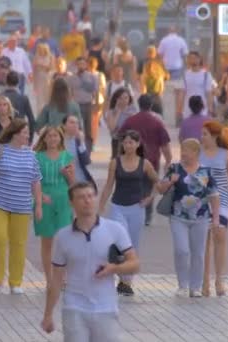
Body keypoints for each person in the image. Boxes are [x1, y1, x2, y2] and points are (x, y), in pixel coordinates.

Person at [41, 182, 140, 340]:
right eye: (81, 197)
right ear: (71, 203)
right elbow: (57, 279)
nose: (87, 201)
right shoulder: (63, 236)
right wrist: (48, 314)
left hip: (105, 306)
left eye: (90, 196)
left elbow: (134, 264)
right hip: (74, 306)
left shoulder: (115, 229)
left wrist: (113, 268)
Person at [0, 119, 42, 294]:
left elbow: (36, 181)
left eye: (28, 133)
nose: (27, 136)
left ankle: (16, 282)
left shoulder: (31, 155)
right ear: (15, 134)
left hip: (22, 207)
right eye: (24, 132)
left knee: (19, 244)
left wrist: (38, 205)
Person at [98, 129, 158, 296]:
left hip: (137, 209)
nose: (128, 145)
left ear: (138, 144)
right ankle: (116, 270)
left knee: (132, 245)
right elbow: (109, 185)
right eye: (125, 142)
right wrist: (101, 205)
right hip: (118, 206)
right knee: (118, 239)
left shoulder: (144, 163)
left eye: (131, 142)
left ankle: (126, 282)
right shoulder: (115, 162)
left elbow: (157, 181)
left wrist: (149, 198)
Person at [158, 139, 220, 297]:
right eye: (182, 149)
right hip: (178, 217)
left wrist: (216, 217)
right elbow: (160, 188)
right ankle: (182, 285)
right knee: (182, 250)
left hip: (201, 218)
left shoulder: (206, 171)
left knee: (198, 253)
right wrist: (170, 182)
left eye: (186, 150)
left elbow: (213, 195)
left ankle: (196, 287)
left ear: (196, 153)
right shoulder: (175, 168)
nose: (183, 153)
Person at [200, 121, 228, 296]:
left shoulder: (227, 155)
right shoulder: (198, 154)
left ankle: (219, 279)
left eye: (205, 134)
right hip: (201, 202)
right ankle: (204, 281)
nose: (201, 138)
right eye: (201, 134)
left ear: (214, 136)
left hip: (222, 202)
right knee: (204, 241)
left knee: (220, 237)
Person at [120, 94, 173, 226]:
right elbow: (165, 144)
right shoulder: (157, 122)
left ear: (139, 104)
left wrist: (120, 157)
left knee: (133, 185)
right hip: (152, 159)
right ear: (151, 105)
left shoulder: (130, 121)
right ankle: (147, 215)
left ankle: (134, 211)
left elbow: (120, 137)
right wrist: (168, 159)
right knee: (149, 186)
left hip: (133, 158)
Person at [33, 127, 75, 284]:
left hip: (63, 199)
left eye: (55, 136)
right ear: (44, 139)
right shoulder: (37, 157)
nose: (52, 139)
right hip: (45, 200)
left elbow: (73, 183)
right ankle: (49, 278)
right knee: (47, 241)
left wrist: (67, 175)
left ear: (60, 138)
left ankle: (63, 277)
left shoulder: (67, 157)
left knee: (65, 240)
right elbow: (33, 181)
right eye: (49, 136)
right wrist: (40, 197)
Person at [158, 26, 188, 124]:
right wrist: (186, 69)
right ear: (176, 31)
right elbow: (185, 55)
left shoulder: (164, 40)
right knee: (179, 92)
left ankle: (168, 117)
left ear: (168, 31)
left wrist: (162, 67)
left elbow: (160, 55)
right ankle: (178, 114)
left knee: (166, 94)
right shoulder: (181, 40)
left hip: (166, 69)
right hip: (178, 68)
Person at [68, 57, 98, 151]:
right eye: (79, 64)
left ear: (86, 65)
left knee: (88, 126)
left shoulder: (91, 77)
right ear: (76, 65)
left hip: (87, 103)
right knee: (77, 126)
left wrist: (96, 105)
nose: (81, 66)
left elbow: (95, 91)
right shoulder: (72, 78)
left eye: (83, 63)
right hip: (76, 105)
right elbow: (70, 92)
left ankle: (89, 147)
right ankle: (78, 146)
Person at [62, 114, 96, 188]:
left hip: (80, 180)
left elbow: (86, 161)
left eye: (77, 123)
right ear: (64, 126)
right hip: (63, 182)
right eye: (72, 122)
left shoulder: (79, 141)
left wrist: (82, 143)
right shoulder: (59, 142)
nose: (75, 125)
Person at [1, 71, 35, 144]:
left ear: (6, 82)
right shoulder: (23, 98)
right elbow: (31, 119)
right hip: (20, 133)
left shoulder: (0, 97)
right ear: (18, 82)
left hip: (4, 134)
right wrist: (30, 139)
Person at [104, 87, 136, 158]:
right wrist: (118, 112)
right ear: (116, 99)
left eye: (126, 98)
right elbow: (112, 128)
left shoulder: (133, 111)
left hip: (131, 142)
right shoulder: (111, 112)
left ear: (129, 99)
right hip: (117, 142)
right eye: (120, 98)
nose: (123, 101)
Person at [181, 51, 214, 119]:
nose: (193, 60)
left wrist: (210, 109)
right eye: (190, 58)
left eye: (195, 58)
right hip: (188, 109)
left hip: (202, 109)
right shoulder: (185, 74)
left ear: (199, 59)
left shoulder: (206, 75)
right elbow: (183, 92)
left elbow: (209, 93)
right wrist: (180, 110)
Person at [88, 56, 106, 148]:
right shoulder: (86, 74)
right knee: (88, 123)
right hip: (87, 101)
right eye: (90, 64)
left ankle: (93, 142)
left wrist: (102, 100)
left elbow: (103, 89)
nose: (91, 66)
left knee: (94, 122)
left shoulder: (100, 75)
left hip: (97, 101)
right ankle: (90, 141)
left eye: (93, 64)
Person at [32, 43, 53, 110]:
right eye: (39, 49)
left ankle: (48, 112)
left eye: (42, 49)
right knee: (39, 98)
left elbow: (51, 68)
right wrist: (34, 84)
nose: (40, 51)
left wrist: (41, 65)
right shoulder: (36, 57)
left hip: (47, 78)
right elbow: (34, 70)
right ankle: (39, 114)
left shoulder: (50, 57)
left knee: (47, 97)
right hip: (39, 78)